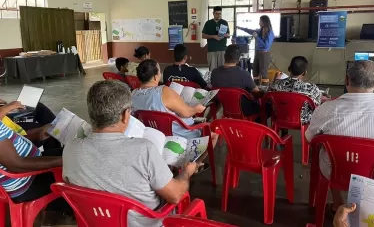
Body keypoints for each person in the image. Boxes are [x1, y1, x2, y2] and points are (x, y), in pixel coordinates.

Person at [63, 80, 199, 227]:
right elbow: (175, 195)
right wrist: (186, 173)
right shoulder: (144, 149)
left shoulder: (71, 148)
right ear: (125, 115)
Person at [306, 60, 374, 213]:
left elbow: (310, 139)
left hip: (334, 171)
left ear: (346, 80)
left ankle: (337, 202)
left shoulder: (325, 110)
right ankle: (371, 209)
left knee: (328, 155)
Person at [131, 60, 218, 163]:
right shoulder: (163, 91)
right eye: (159, 72)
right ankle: (196, 165)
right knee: (214, 134)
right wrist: (196, 109)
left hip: (154, 136)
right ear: (155, 77)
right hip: (179, 135)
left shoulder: (133, 94)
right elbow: (186, 112)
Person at [0, 101, 67, 224]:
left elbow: (11, 139)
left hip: (28, 167)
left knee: (69, 153)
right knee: (78, 167)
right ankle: (64, 211)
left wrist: (40, 132)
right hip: (25, 182)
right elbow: (17, 165)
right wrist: (64, 161)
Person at [210, 45, 263, 117]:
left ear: (224, 56)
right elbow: (256, 92)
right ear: (238, 60)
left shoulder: (214, 73)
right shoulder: (244, 74)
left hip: (225, 107)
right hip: (243, 110)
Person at [268, 56, 321, 123]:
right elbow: (317, 106)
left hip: (279, 117)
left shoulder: (276, 85)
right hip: (303, 120)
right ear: (305, 73)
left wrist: (275, 81)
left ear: (289, 69)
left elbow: (268, 98)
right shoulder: (312, 88)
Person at [237, 15, 275, 84]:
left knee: (263, 74)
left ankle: (264, 87)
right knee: (255, 71)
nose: (259, 23)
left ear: (264, 22)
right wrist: (240, 28)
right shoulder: (260, 30)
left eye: (260, 21)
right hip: (257, 53)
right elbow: (250, 31)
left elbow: (265, 45)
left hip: (264, 54)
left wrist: (257, 37)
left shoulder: (270, 32)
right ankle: (256, 87)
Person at [202, 6, 230, 71]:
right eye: (217, 14)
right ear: (213, 13)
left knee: (222, 69)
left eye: (220, 14)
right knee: (212, 69)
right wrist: (213, 36)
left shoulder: (224, 22)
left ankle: (222, 81)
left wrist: (223, 35)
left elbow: (228, 35)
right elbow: (203, 35)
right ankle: (213, 81)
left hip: (222, 49)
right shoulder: (208, 23)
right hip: (212, 50)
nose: (218, 15)